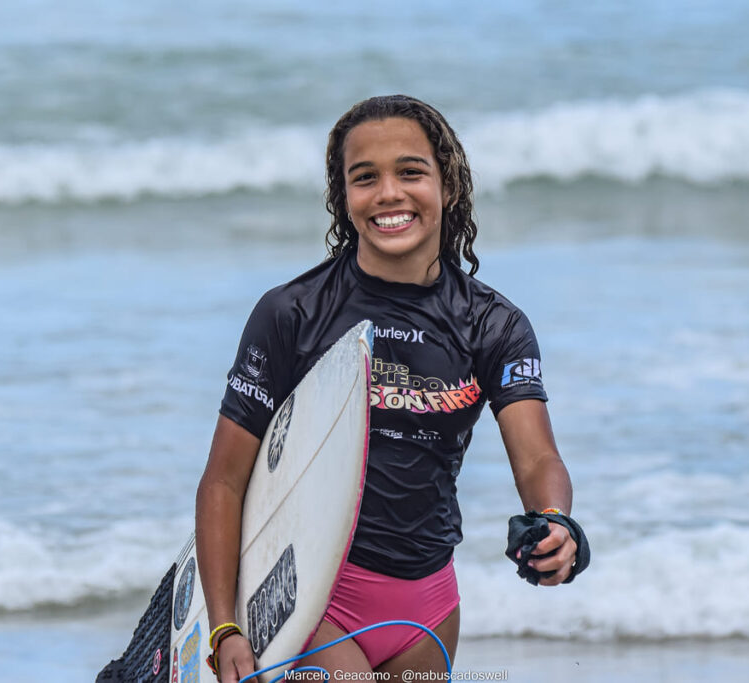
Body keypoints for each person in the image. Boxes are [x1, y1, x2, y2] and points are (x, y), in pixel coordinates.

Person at [195, 94, 580, 683]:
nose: (389, 194)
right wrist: (224, 627)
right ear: (343, 197)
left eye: (410, 172)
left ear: (446, 185)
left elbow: (537, 457)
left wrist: (554, 521)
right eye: (364, 178)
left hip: (429, 605)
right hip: (310, 593)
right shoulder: (294, 314)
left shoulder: (493, 326)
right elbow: (223, 480)